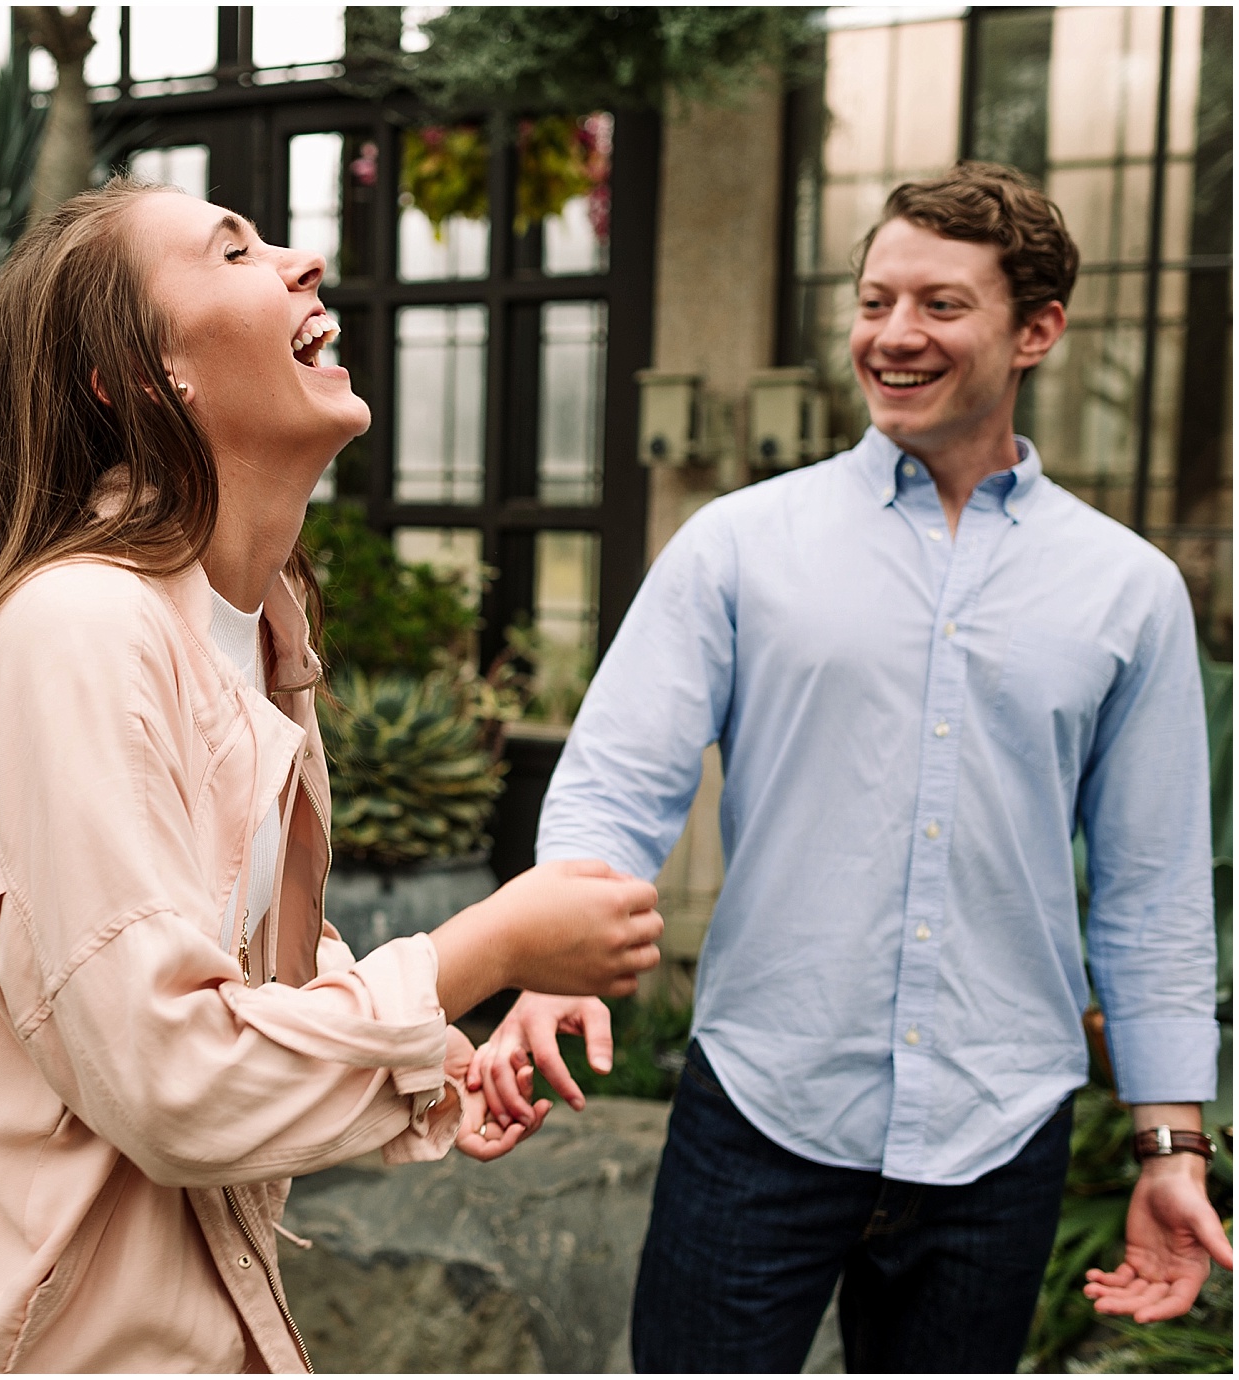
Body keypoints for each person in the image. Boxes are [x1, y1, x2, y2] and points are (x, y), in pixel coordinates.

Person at [0, 179, 666, 1373]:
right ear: (140, 378)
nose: (303, 263)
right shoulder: (84, 629)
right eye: (233, 251)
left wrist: (435, 1068)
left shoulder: (253, 628)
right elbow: (172, 1072)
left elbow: (228, 975)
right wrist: (480, 953)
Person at [470, 162, 1231, 1372]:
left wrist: (1168, 1147)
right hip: (762, 1109)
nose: (891, 335)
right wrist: (556, 958)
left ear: (1037, 329)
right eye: (874, 301)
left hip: (999, 1126)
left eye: (938, 305)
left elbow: (1151, 891)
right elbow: (619, 781)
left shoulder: (1126, 591)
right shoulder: (737, 544)